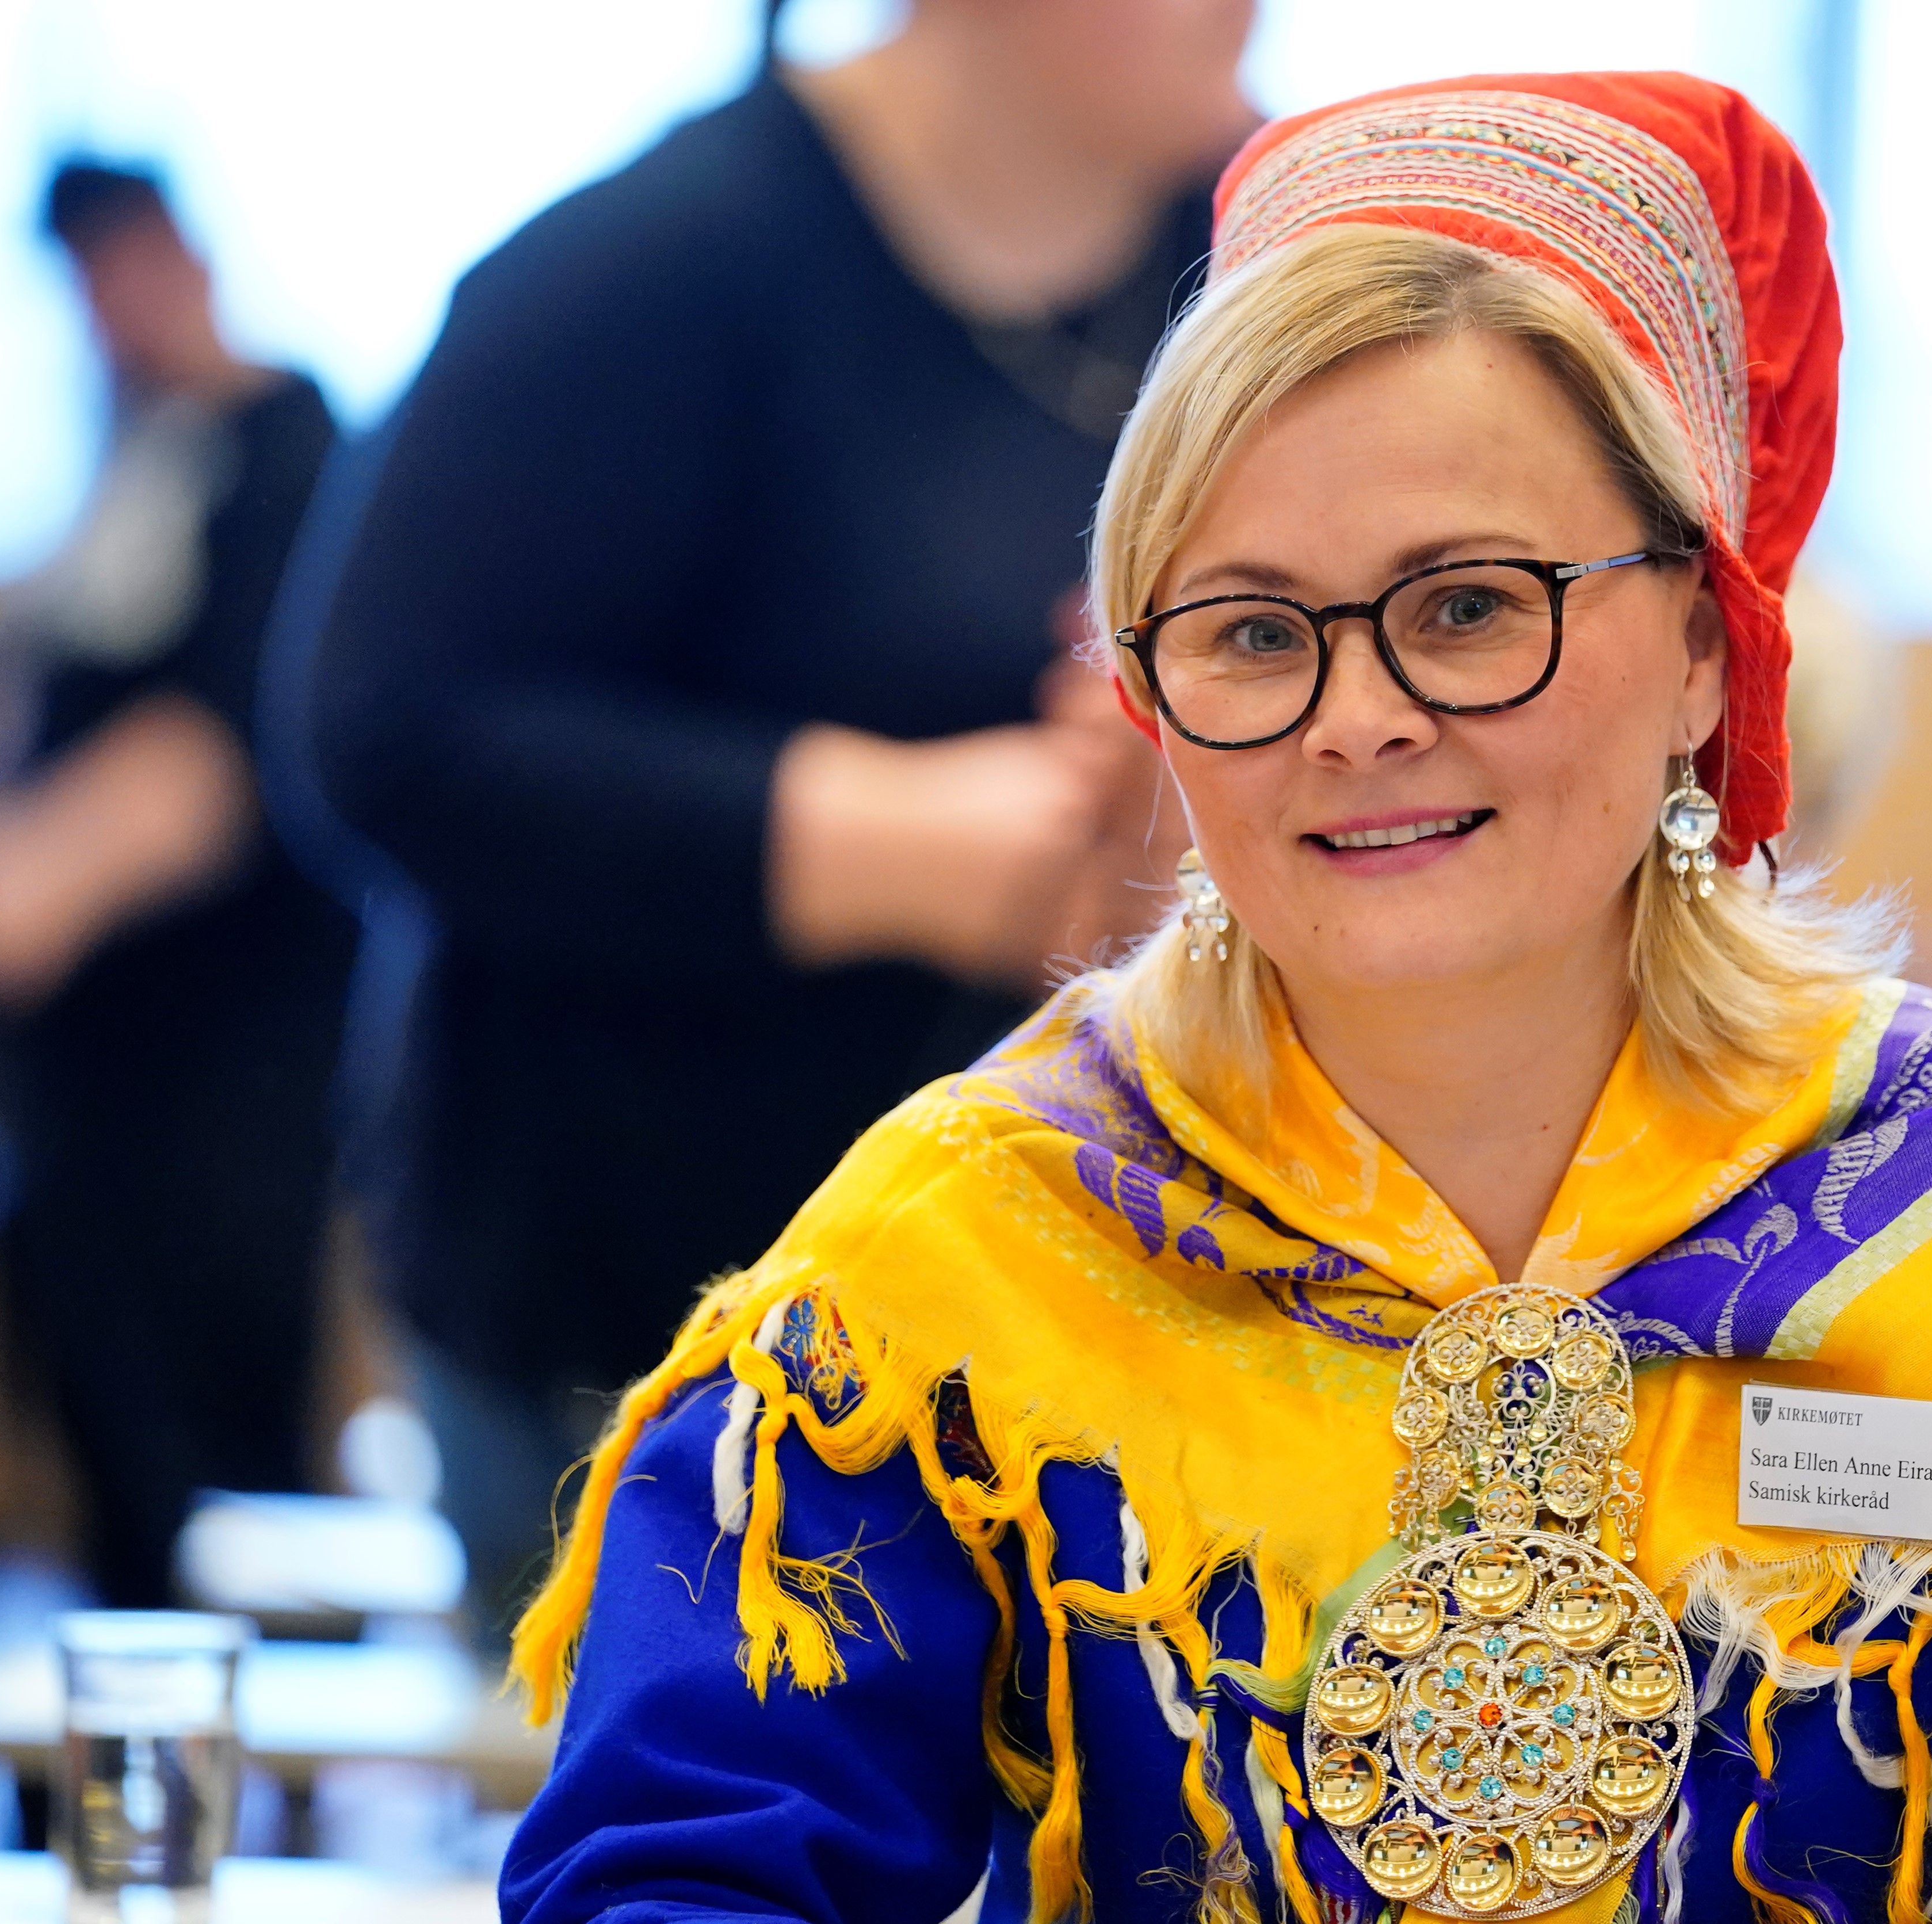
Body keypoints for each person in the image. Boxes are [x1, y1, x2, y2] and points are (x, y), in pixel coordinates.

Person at [499, 74, 1932, 1924]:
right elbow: (675, 1866)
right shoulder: (981, 1255)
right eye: (1253, 631)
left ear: (1705, 645)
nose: (1360, 717)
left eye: (1465, 605)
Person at [303, 0, 1250, 1625]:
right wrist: (904, 845)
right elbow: (385, 731)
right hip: (646, 1324)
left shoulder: (1272, 252)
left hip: (1103, 1309)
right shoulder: (660, 262)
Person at [0, 163, 353, 1607]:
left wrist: (25, 880)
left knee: (218, 1451)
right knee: (99, 1428)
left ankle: (242, 1791)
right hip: (88, 1072)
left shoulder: (289, 451)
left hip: (223, 1062)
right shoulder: (133, 455)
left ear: (178, 253)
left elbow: (228, 747)